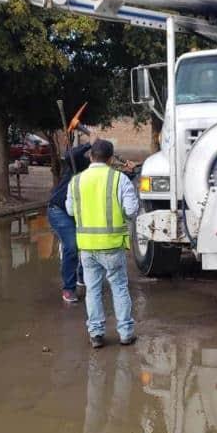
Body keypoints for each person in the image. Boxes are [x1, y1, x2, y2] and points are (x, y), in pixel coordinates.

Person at [66, 139, 139, 348]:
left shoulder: (76, 181)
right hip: (113, 245)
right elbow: (131, 210)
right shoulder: (120, 180)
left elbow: (71, 211)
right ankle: (126, 333)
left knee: (93, 290)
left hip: (87, 246)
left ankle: (96, 334)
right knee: (119, 288)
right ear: (110, 158)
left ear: (91, 157)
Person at [48, 135, 93, 303]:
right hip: (59, 210)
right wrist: (88, 143)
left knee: (85, 243)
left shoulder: (99, 171)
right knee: (72, 246)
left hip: (79, 212)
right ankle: (68, 288)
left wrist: (132, 171)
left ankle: (81, 277)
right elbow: (69, 156)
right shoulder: (79, 165)